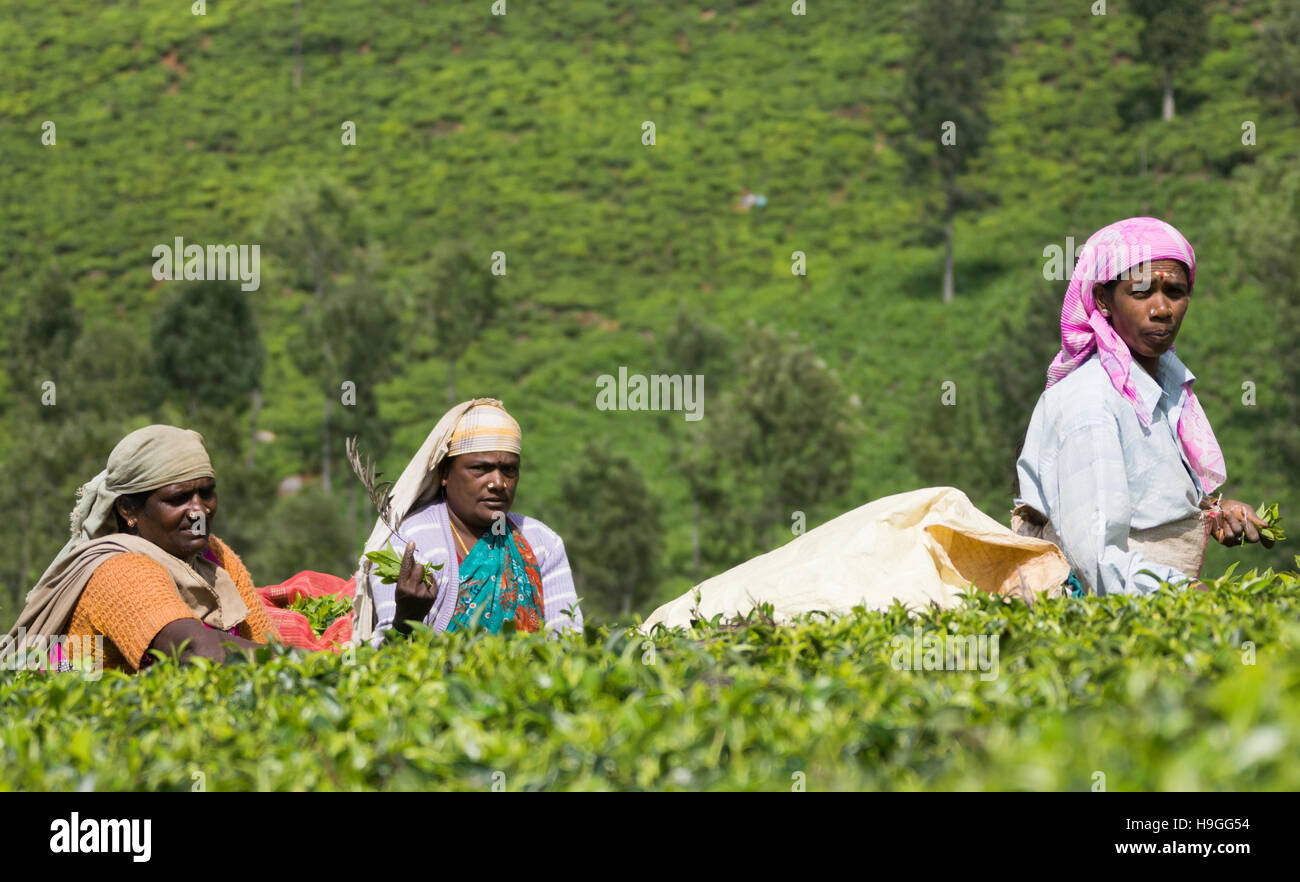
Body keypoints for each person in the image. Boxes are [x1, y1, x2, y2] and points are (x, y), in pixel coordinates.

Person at [1013, 217, 1274, 597]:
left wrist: (1213, 512)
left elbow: (1144, 497)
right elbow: (1096, 558)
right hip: (1093, 623)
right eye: (1141, 293)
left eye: (1175, 291)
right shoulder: (1090, 403)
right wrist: (1192, 596)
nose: (1162, 309)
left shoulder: (1164, 387)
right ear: (1103, 300)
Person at [3, 425, 279, 673]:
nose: (199, 511)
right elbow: (197, 652)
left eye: (206, 493)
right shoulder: (119, 569)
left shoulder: (212, 555)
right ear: (128, 509)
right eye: (178, 498)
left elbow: (266, 640)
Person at [352, 399, 582, 645]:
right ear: (445, 474)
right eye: (480, 469)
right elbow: (383, 661)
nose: (498, 483)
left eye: (509, 470)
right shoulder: (408, 543)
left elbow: (568, 640)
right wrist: (405, 621)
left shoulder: (542, 542)